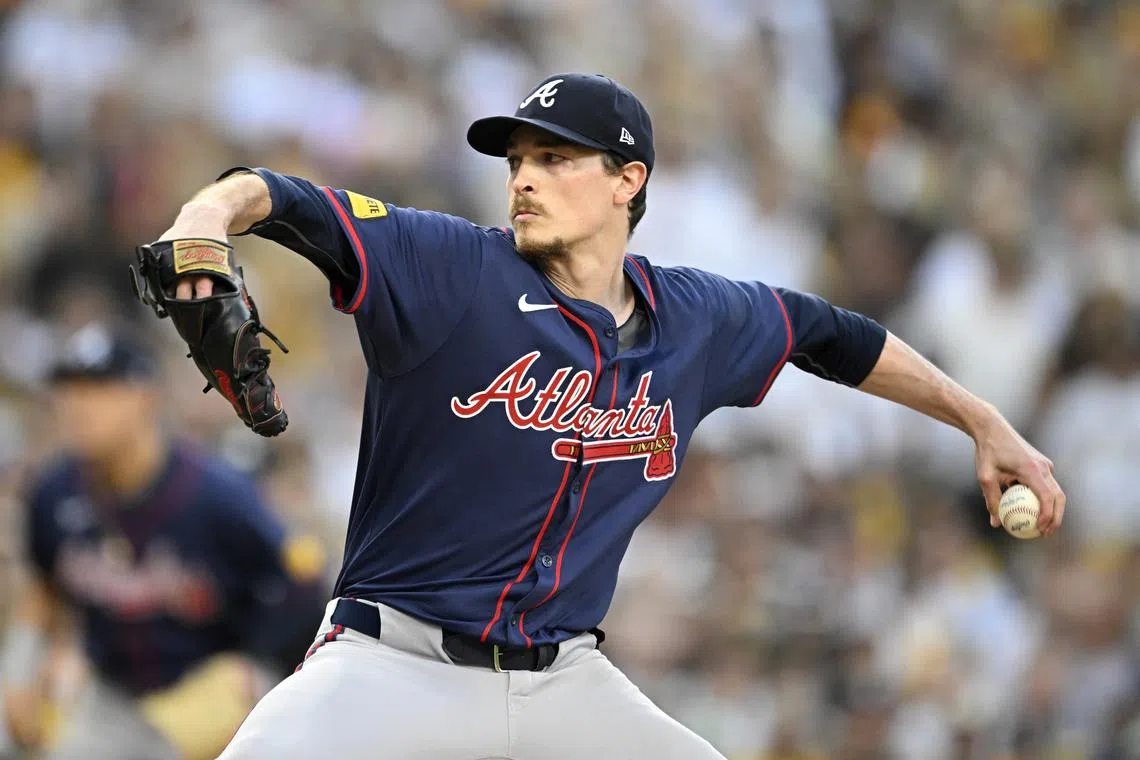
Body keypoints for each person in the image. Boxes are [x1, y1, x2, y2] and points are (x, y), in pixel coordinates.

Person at [148, 73, 1065, 759]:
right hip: (390, 668)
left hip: (564, 688)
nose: (524, 179)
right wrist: (206, 216)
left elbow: (832, 336)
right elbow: (287, 201)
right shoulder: (451, 268)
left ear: (628, 180)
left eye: (554, 157)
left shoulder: (698, 318)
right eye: (516, 161)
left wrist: (981, 419)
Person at [0, 323, 326, 760]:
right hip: (114, 697)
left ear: (145, 397)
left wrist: (255, 664)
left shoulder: (215, 494)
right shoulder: (55, 491)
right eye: (68, 389)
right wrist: (21, 672)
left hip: (212, 684)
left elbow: (304, 586)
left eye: (98, 389)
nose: (76, 405)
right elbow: (45, 588)